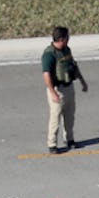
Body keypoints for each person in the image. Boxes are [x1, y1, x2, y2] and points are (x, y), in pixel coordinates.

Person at [41, 25, 88, 153]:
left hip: (69, 87)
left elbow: (74, 66)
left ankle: (70, 139)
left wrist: (82, 81)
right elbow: (46, 75)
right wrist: (53, 93)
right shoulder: (49, 55)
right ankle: (52, 144)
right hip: (57, 90)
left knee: (70, 116)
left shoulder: (67, 50)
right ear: (61, 39)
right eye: (67, 37)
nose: (69, 39)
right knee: (55, 118)